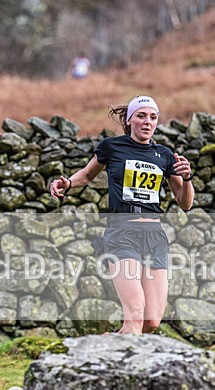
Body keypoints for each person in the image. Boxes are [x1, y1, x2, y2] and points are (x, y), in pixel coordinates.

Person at [50, 96, 194, 335]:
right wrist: (67, 184)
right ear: (129, 120)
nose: (147, 122)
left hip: (154, 236)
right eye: (141, 116)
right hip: (122, 234)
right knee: (135, 313)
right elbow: (86, 175)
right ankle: (120, 355)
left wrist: (187, 179)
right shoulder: (112, 147)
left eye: (153, 117)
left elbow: (185, 203)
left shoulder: (164, 155)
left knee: (151, 322)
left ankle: (110, 345)